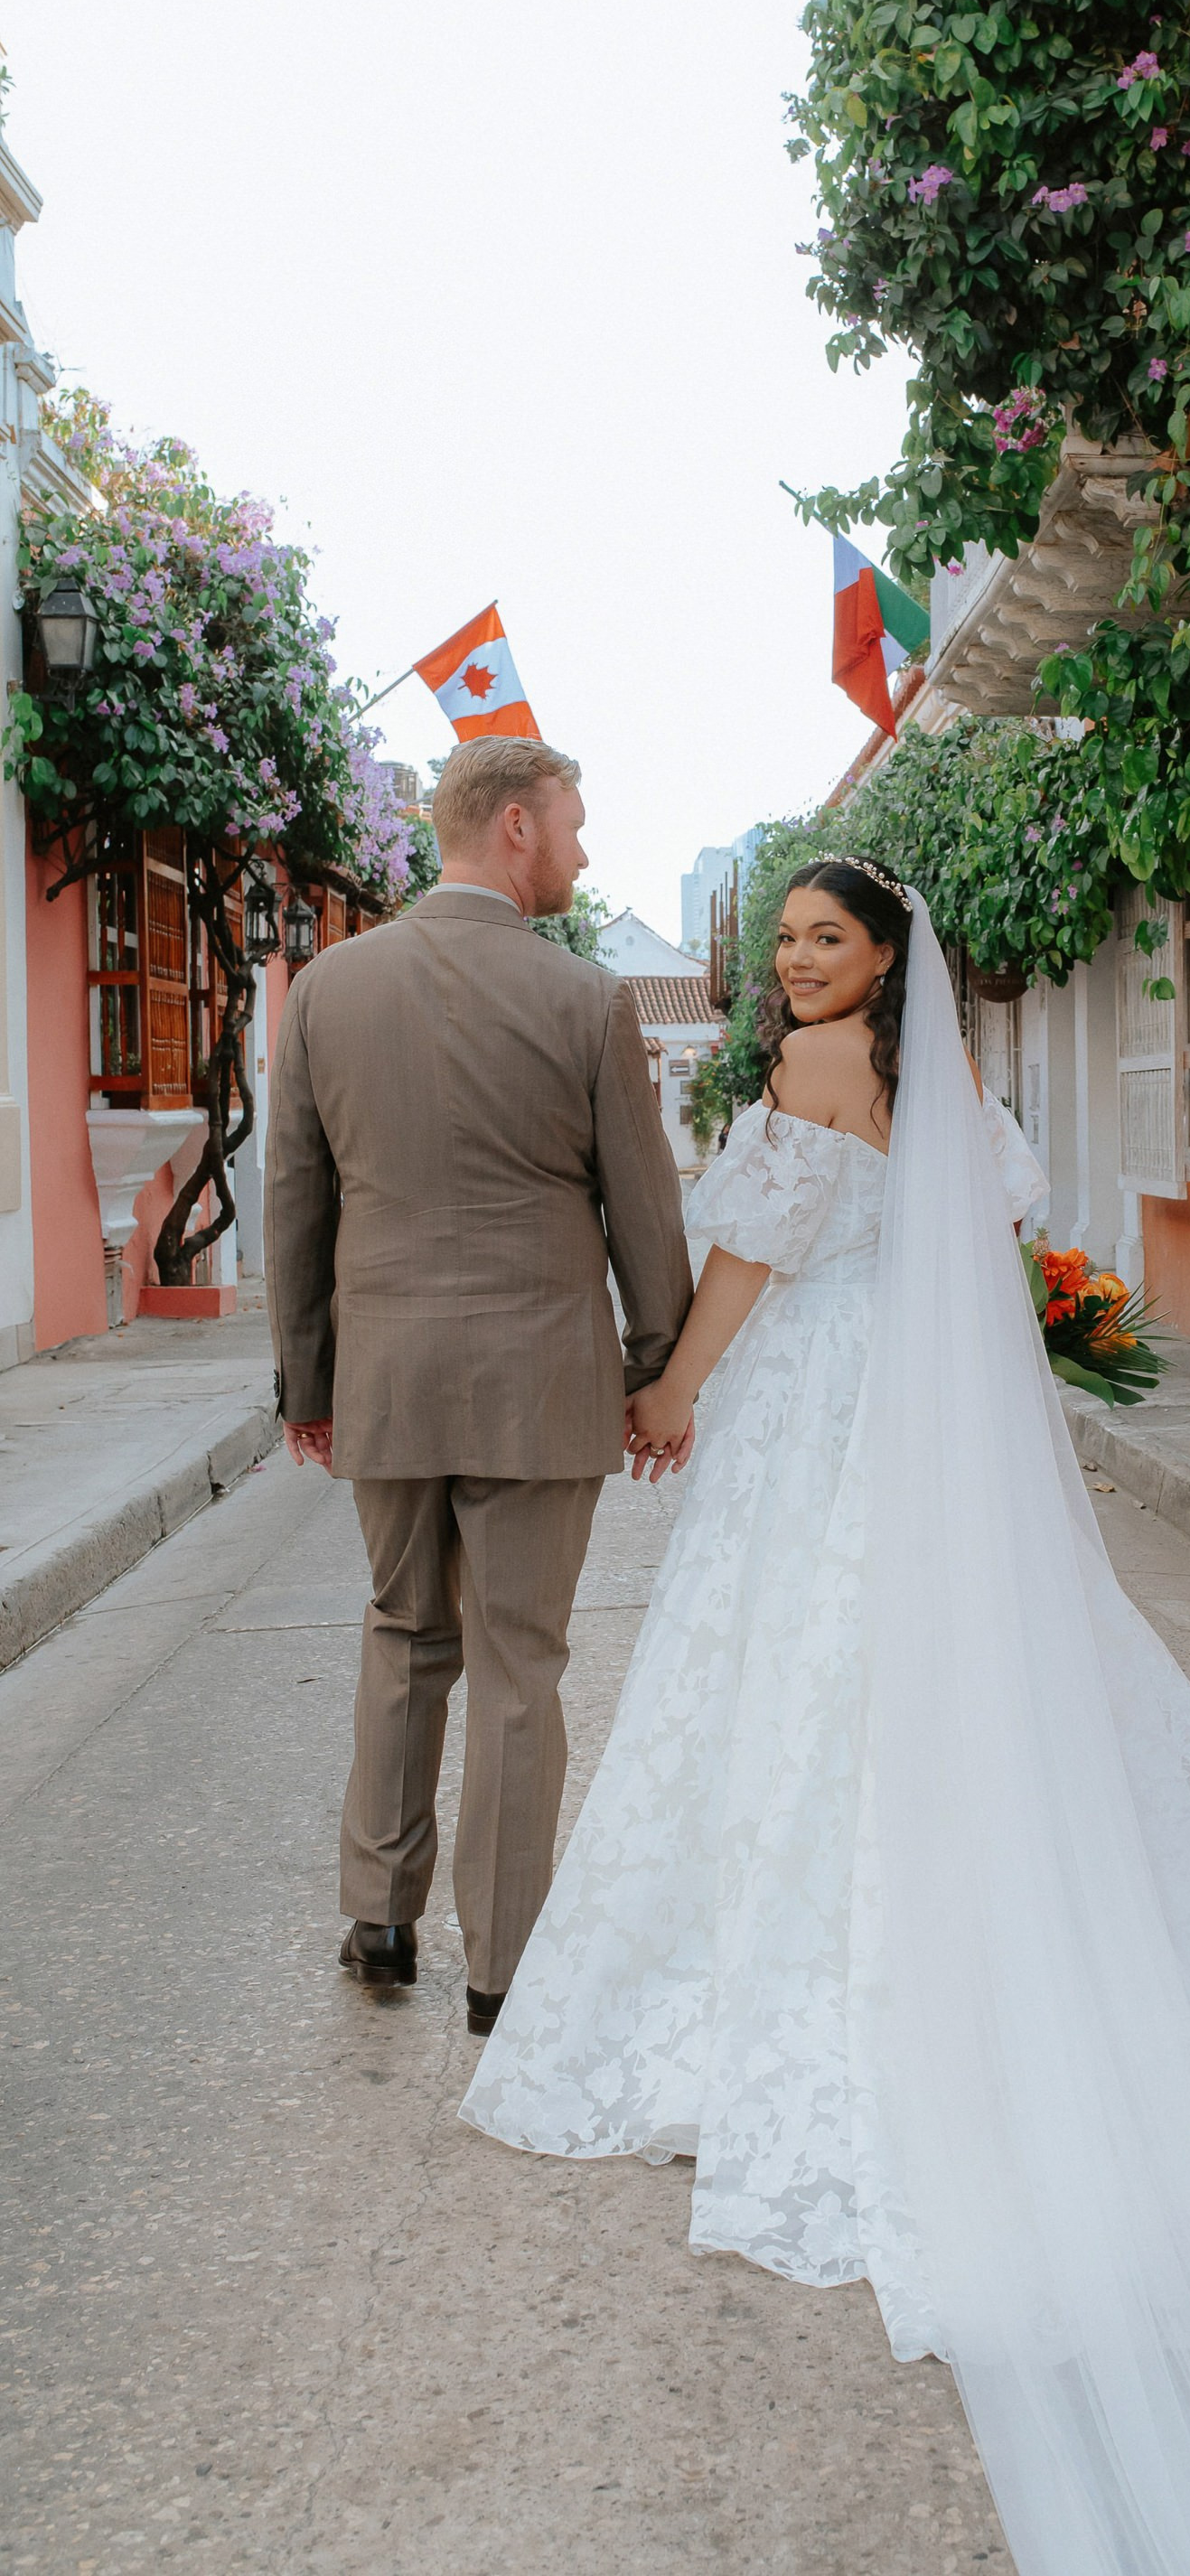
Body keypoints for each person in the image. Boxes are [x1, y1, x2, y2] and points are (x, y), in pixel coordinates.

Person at [463, 855, 1190, 2576]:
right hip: (923, 1415)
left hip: (813, 1414)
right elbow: (995, 1229)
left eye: (826, 940)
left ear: (884, 958)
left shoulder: (801, 1080)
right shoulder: (947, 1083)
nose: (797, 963)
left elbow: (747, 1268)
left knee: (798, 1680)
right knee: (922, 1678)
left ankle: (828, 1961)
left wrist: (671, 1391)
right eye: (786, 939)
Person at [266, 735, 692, 2039]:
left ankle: (379, 1920)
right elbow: (643, 1208)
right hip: (539, 1384)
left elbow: (295, 1200)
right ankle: (503, 1969)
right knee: (520, 1667)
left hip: (388, 1378)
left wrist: (307, 1384)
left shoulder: (328, 991)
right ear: (513, 826)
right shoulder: (586, 1000)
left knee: (403, 1632)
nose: (580, 849)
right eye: (571, 823)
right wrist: (655, 1369)